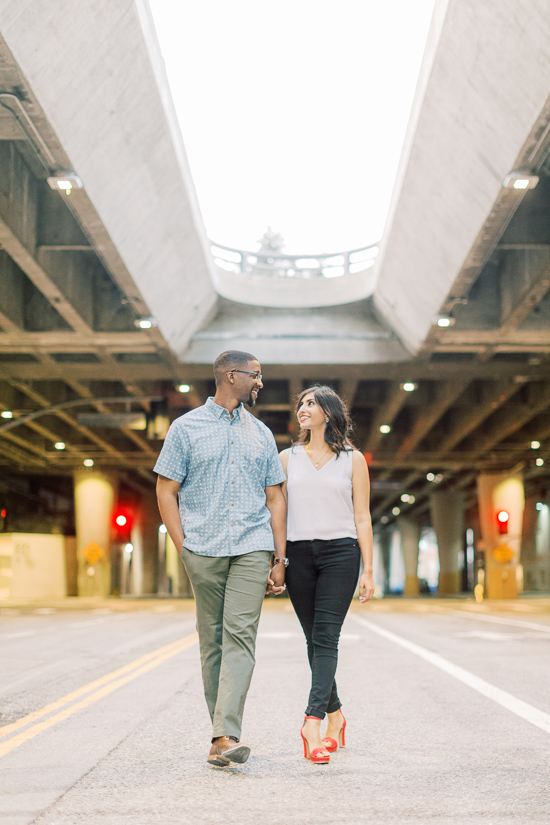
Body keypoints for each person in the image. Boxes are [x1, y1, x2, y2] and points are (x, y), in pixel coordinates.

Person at [155, 351, 287, 767]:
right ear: (232, 376)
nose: (260, 383)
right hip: (204, 549)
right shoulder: (186, 428)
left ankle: (226, 735)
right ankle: (220, 736)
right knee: (212, 642)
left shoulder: (262, 434)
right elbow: (166, 490)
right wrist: (184, 548)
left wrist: (279, 556)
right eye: (256, 376)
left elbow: (275, 497)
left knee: (240, 637)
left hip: (251, 546)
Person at [279, 385, 375, 764]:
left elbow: (362, 516)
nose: (304, 409)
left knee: (326, 636)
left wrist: (369, 569)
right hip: (299, 554)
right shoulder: (287, 458)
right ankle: (336, 716)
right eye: (301, 403)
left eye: (312, 404)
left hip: (341, 553)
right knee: (312, 639)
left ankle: (312, 723)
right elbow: (279, 513)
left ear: (329, 413)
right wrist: (279, 560)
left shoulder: (353, 460)